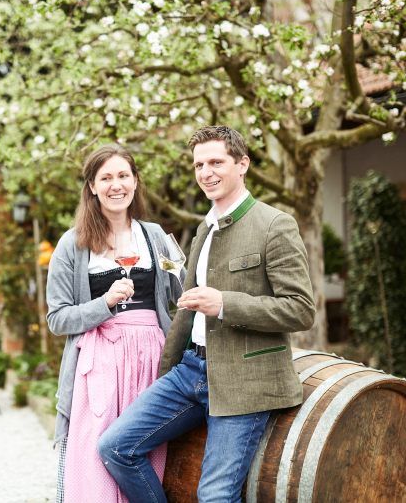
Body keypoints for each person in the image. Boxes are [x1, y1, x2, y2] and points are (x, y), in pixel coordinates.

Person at [98, 125, 316, 503]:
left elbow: (300, 310)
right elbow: (186, 311)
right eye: (199, 165)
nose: (206, 173)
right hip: (190, 371)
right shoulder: (205, 228)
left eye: (216, 162)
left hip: (244, 379)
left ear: (242, 164)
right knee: (115, 448)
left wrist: (225, 304)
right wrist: (166, 373)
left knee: (214, 495)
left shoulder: (275, 225)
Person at [46, 144, 183, 503]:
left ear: (135, 182)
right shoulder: (72, 244)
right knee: (97, 464)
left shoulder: (153, 236)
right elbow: (57, 318)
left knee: (145, 457)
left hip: (151, 361)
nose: (116, 185)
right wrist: (104, 303)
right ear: (91, 186)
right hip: (101, 367)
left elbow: (178, 294)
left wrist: (188, 279)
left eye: (123, 176)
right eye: (106, 178)